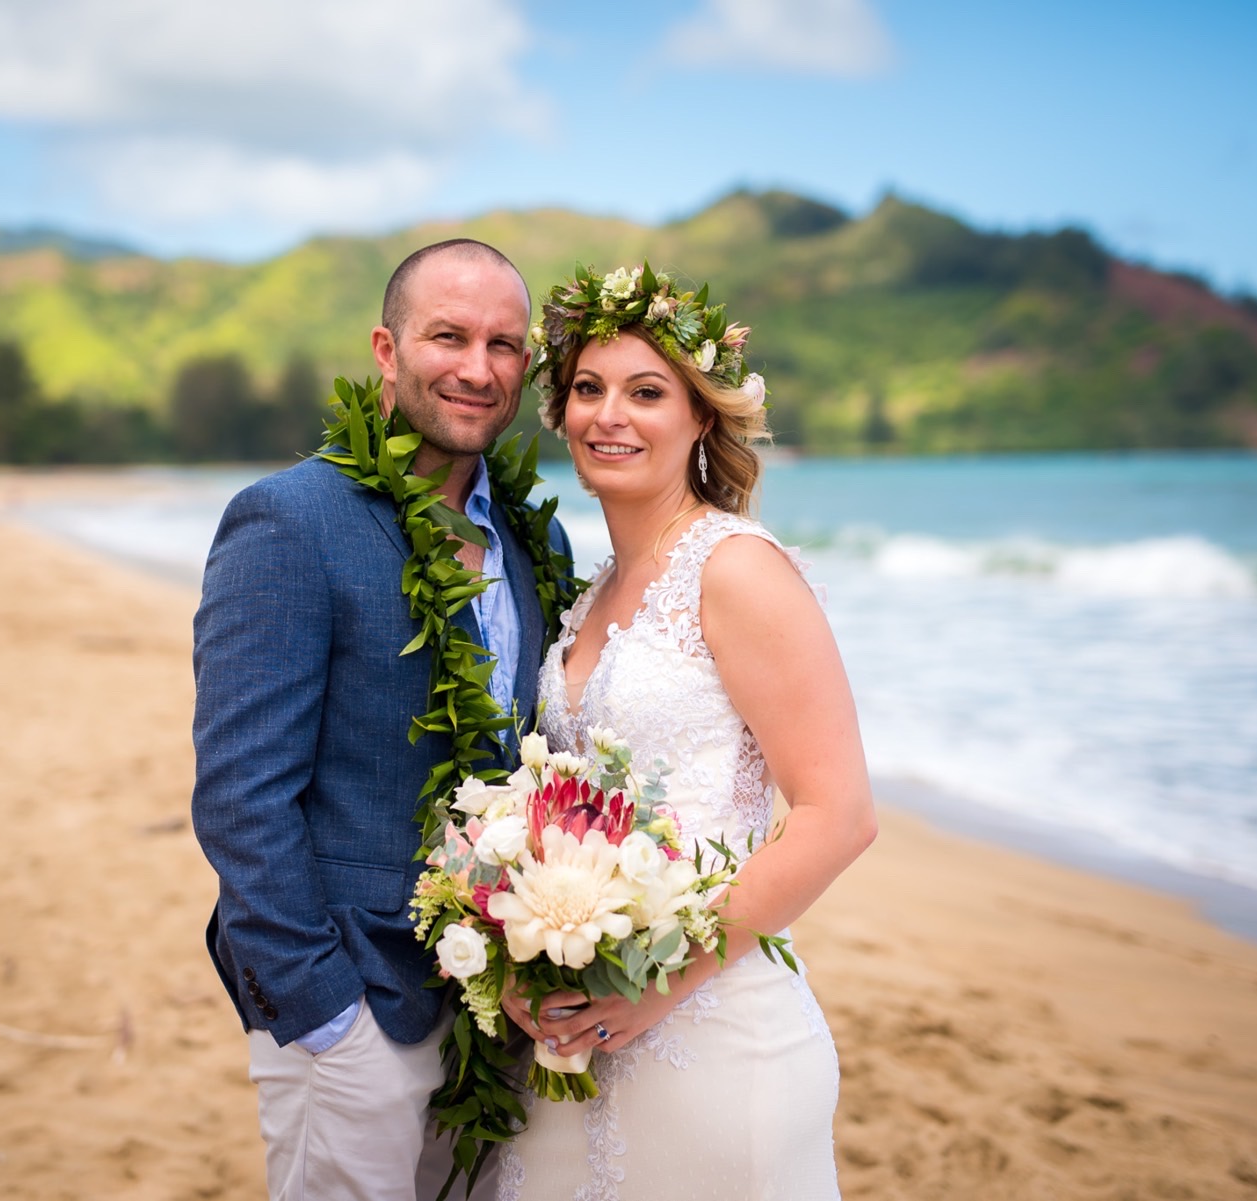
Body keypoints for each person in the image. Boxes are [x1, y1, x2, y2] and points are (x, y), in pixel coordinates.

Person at [191, 239, 571, 1201]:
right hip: (352, 1000)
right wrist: (323, 1014)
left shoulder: (537, 537)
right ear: (386, 349)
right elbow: (242, 796)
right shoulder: (289, 521)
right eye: (449, 335)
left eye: (505, 344)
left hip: (495, 1010)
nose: (479, 368)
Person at [495, 266, 877, 1199]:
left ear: (701, 417)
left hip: (715, 1032)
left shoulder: (736, 570)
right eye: (588, 389)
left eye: (647, 392)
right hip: (583, 1039)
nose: (608, 415)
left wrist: (662, 983)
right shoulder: (587, 599)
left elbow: (837, 813)